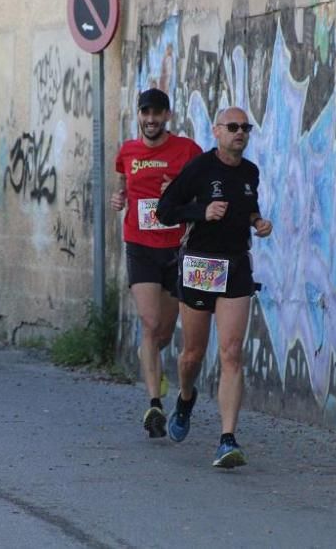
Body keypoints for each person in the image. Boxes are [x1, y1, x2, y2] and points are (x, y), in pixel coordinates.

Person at [156, 106, 272, 468]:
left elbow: (248, 207)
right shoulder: (199, 169)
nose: (240, 133)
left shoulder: (250, 171)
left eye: (245, 128)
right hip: (201, 264)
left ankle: (227, 439)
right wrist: (201, 212)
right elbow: (165, 209)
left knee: (232, 352)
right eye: (233, 127)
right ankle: (186, 397)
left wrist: (258, 221)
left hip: (236, 264)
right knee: (192, 354)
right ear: (217, 131)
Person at [112, 88, 202, 439]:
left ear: (168, 116)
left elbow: (203, 194)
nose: (150, 120)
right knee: (150, 324)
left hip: (176, 249)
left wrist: (178, 190)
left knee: (163, 333)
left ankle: (154, 367)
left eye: (157, 113)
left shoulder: (187, 151)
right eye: (145, 113)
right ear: (139, 116)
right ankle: (154, 403)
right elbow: (123, 183)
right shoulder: (128, 152)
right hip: (140, 245)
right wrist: (119, 197)